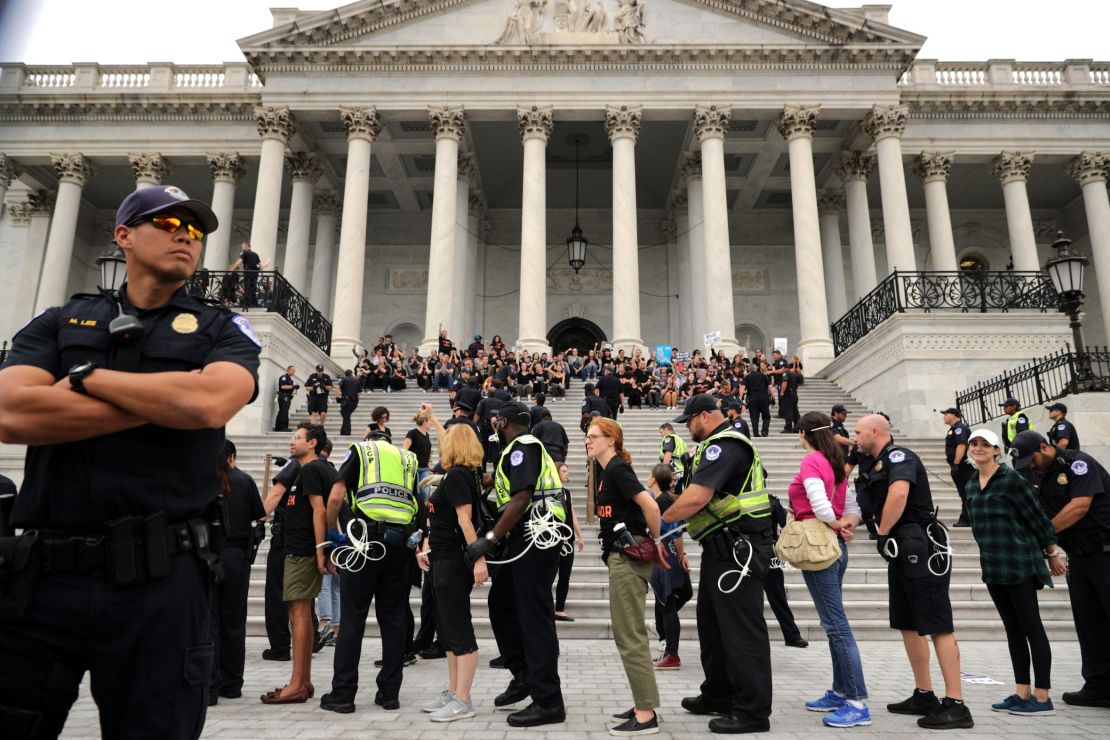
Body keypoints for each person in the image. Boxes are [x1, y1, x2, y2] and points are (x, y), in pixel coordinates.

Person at [0, 183, 259, 739]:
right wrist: (168, 400)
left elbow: (213, 401)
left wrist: (85, 379)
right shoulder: (61, 320)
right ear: (124, 237)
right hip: (47, 575)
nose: (186, 238)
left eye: (194, 231)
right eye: (169, 226)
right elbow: (9, 411)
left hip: (161, 581)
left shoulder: (223, 328)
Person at [853, 413, 973, 730]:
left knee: (937, 623)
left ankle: (957, 704)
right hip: (900, 548)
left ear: (876, 432)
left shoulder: (899, 456)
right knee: (908, 623)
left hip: (921, 546)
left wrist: (881, 532)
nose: (855, 437)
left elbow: (899, 494)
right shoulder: (869, 463)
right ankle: (924, 693)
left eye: (858, 432)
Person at [663, 393, 774, 734]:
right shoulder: (714, 447)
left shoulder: (724, 444)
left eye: (690, 421)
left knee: (742, 632)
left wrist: (657, 526)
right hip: (720, 549)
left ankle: (753, 711)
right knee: (712, 627)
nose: (689, 429)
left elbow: (697, 497)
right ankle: (718, 692)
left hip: (739, 551)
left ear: (706, 416)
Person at [463, 401, 568, 727]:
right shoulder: (519, 450)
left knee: (534, 617)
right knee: (502, 603)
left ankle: (548, 700)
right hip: (528, 537)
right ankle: (523, 673)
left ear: (502, 421)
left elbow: (521, 498)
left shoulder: (522, 446)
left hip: (535, 537)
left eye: (496, 422)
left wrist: (490, 539)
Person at [320, 428, 422, 714]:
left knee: (353, 619)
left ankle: (343, 695)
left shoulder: (362, 452)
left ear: (369, 442)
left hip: (363, 545)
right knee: (393, 621)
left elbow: (336, 497)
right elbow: (416, 504)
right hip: (399, 546)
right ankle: (389, 694)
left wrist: (330, 540)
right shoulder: (408, 459)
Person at [1010, 430, 1110, 709]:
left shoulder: (1077, 463)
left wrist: (1044, 533)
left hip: (1105, 551)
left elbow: (1079, 506)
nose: (1030, 466)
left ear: (1045, 447)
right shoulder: (1038, 476)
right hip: (1079, 556)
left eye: (1032, 459)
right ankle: (1100, 685)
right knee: (1089, 623)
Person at [964, 429, 1060, 716]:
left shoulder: (1012, 479)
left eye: (985, 444)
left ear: (996, 450)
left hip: (1019, 562)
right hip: (993, 566)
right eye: (974, 443)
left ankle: (1043, 698)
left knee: (1031, 627)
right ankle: (1022, 692)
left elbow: (1037, 519)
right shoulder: (970, 484)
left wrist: (1052, 553)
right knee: (1013, 631)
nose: (978, 448)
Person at [586, 417, 667, 736]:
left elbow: (651, 506)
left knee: (629, 634)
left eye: (594, 436)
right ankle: (641, 703)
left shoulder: (617, 468)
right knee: (628, 633)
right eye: (588, 437)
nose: (588, 441)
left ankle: (646, 714)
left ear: (611, 439)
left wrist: (658, 542)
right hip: (621, 556)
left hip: (628, 556)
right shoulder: (608, 472)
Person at [789, 412, 871, 728]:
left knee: (836, 625)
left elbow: (819, 503)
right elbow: (852, 506)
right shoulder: (836, 462)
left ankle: (856, 702)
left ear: (805, 434)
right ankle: (841, 691)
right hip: (836, 547)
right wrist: (845, 523)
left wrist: (835, 522)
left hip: (820, 547)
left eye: (799, 433)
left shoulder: (813, 461)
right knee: (833, 623)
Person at [415, 424, 490, 722]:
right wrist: (426, 548)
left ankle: (463, 699)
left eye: (445, 439)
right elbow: (442, 520)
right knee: (446, 629)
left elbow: (465, 520)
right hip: (441, 558)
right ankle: (453, 690)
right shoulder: (456, 475)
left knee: (458, 629)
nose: (440, 443)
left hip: (453, 562)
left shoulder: (459, 475)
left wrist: (479, 558)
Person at [261, 423, 332, 705]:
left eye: (298, 437)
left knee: (299, 613)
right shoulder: (310, 469)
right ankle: (302, 681)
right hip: (300, 549)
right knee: (298, 612)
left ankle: (297, 684)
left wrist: (319, 552)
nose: (292, 442)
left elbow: (320, 510)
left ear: (312, 443)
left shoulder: (313, 469)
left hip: (303, 550)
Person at [209, 439, 266, 704]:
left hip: (209, 555)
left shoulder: (204, 481)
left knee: (209, 621)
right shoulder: (243, 480)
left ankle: (208, 684)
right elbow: (260, 514)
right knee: (233, 621)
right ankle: (231, 683)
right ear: (232, 456)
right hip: (236, 556)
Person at [648, 464, 692, 671]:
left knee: (667, 603)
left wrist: (681, 555)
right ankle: (664, 634)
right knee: (667, 601)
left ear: (654, 480)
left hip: (664, 554)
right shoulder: (665, 499)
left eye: (650, 476)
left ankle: (671, 652)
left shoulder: (661, 501)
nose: (648, 478)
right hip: (668, 553)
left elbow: (675, 532)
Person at [764, 495, 808, 648]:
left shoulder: (772, 502)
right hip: (744, 555)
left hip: (768, 555)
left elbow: (786, 525)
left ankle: (792, 635)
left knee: (778, 598)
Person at [941, 407, 973, 527]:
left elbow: (961, 445)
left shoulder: (959, 428)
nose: (943, 416)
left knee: (966, 492)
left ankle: (966, 519)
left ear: (953, 415)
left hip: (963, 466)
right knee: (964, 493)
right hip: (961, 466)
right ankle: (967, 518)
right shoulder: (954, 429)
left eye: (945, 414)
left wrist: (956, 464)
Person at [228, 241, 268, 306]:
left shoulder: (245, 252)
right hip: (255, 274)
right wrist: (263, 274)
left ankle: (248, 304)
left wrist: (232, 268)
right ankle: (253, 303)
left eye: (243, 246)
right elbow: (260, 265)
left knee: (247, 288)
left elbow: (239, 261)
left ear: (246, 246)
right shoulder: (255, 254)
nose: (242, 248)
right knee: (253, 288)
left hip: (248, 273)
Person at [740, 361, 772, 437]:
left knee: (754, 417)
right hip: (763, 399)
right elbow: (770, 387)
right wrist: (773, 397)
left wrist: (740, 398)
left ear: (749, 370)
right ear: (756, 369)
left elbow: (742, 387)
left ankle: (755, 433)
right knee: (766, 416)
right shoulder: (763, 376)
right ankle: (764, 431)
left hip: (752, 399)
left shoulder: (747, 377)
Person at [337, 368, 360, 437]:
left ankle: (347, 433)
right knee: (346, 415)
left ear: (345, 374)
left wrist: (337, 397)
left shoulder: (344, 379)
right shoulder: (356, 380)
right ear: (352, 374)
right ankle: (342, 432)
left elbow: (337, 387)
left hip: (346, 401)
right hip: (354, 402)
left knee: (346, 417)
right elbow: (359, 393)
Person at [275, 365, 298, 432]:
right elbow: (283, 387)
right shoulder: (284, 377)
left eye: (294, 371)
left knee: (282, 411)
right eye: (293, 371)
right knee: (284, 411)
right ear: (288, 370)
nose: (294, 372)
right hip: (283, 396)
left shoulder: (289, 379)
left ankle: (278, 427)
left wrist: (294, 388)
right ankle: (282, 427)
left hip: (287, 397)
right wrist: (293, 386)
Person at [778, 365, 799, 434]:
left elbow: (785, 383)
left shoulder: (786, 374)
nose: (782, 369)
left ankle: (788, 427)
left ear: (785, 368)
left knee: (788, 412)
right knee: (795, 412)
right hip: (794, 394)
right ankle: (797, 427)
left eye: (782, 368)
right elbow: (796, 386)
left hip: (788, 394)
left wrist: (782, 392)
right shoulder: (794, 375)